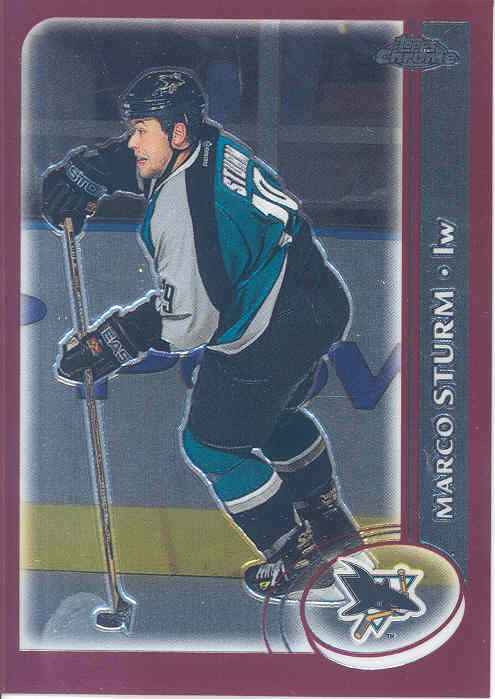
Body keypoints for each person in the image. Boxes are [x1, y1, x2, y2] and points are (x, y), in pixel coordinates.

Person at [42, 67, 363, 604]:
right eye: (133, 129)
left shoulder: (181, 212)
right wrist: (92, 170)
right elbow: (161, 162)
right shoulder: (212, 143)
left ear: (178, 131)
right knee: (273, 415)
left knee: (211, 444)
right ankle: (330, 526)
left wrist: (115, 340)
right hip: (318, 298)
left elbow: (192, 323)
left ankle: (298, 553)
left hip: (268, 327)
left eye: (140, 130)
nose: (132, 142)